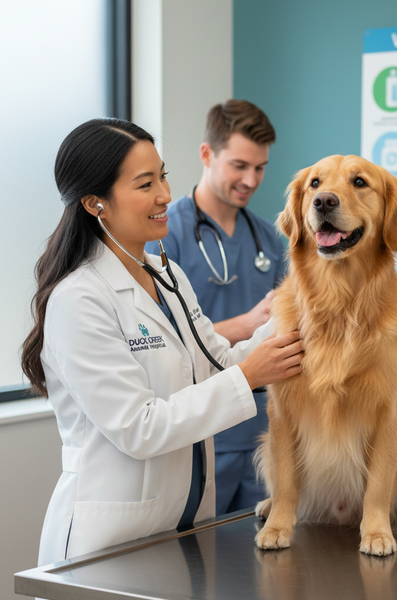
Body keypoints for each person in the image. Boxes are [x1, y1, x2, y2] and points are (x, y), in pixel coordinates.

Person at [21, 118, 302, 566]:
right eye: (145, 183)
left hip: (182, 527)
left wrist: (295, 319)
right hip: (110, 540)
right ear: (96, 204)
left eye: (164, 176)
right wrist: (248, 376)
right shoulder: (79, 299)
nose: (165, 195)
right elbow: (139, 427)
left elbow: (215, 362)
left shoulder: (168, 276)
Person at [146, 100, 285, 516]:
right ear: (207, 154)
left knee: (265, 558)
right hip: (206, 427)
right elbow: (162, 345)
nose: (251, 179)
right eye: (239, 165)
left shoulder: (267, 236)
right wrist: (246, 324)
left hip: (263, 430)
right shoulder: (165, 233)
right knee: (205, 559)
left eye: (259, 168)